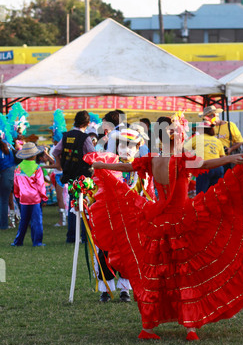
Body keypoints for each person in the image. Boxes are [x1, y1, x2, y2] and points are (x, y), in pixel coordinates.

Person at [85, 112, 243, 341]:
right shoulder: (182, 160)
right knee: (187, 274)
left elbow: (126, 168)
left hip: (157, 222)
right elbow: (206, 163)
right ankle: (190, 327)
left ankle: (148, 327)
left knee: (158, 274)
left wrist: (97, 164)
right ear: (179, 137)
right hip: (182, 221)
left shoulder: (153, 159)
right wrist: (231, 159)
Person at [92, 127, 155, 303]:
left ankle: (125, 289)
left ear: (137, 148)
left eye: (131, 146)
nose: (126, 150)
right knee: (105, 250)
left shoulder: (142, 171)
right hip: (109, 217)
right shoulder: (108, 166)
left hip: (132, 219)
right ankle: (105, 288)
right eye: (122, 146)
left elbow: (148, 195)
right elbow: (97, 189)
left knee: (128, 253)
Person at [52, 110, 95, 243]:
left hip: (70, 175)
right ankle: (84, 236)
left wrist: (60, 165)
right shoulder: (85, 138)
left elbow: (55, 151)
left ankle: (71, 237)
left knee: (73, 205)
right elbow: (92, 155)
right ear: (87, 123)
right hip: (83, 177)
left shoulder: (66, 136)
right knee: (84, 206)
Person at [11, 142, 48, 247]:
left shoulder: (18, 167)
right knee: (37, 221)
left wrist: (17, 195)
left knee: (24, 221)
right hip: (35, 199)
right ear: (34, 155)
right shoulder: (37, 168)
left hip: (23, 198)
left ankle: (18, 241)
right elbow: (40, 185)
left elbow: (16, 184)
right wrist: (44, 198)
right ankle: (37, 242)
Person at [184, 119, 225, 194]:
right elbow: (222, 157)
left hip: (204, 167)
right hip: (218, 168)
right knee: (216, 194)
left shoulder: (196, 138)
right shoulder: (217, 140)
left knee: (201, 195)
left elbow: (183, 150)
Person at [0, 135, 16, 230]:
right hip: (11, 172)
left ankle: (3, 225)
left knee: (3, 200)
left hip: (4, 173)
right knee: (5, 200)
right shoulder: (7, 143)